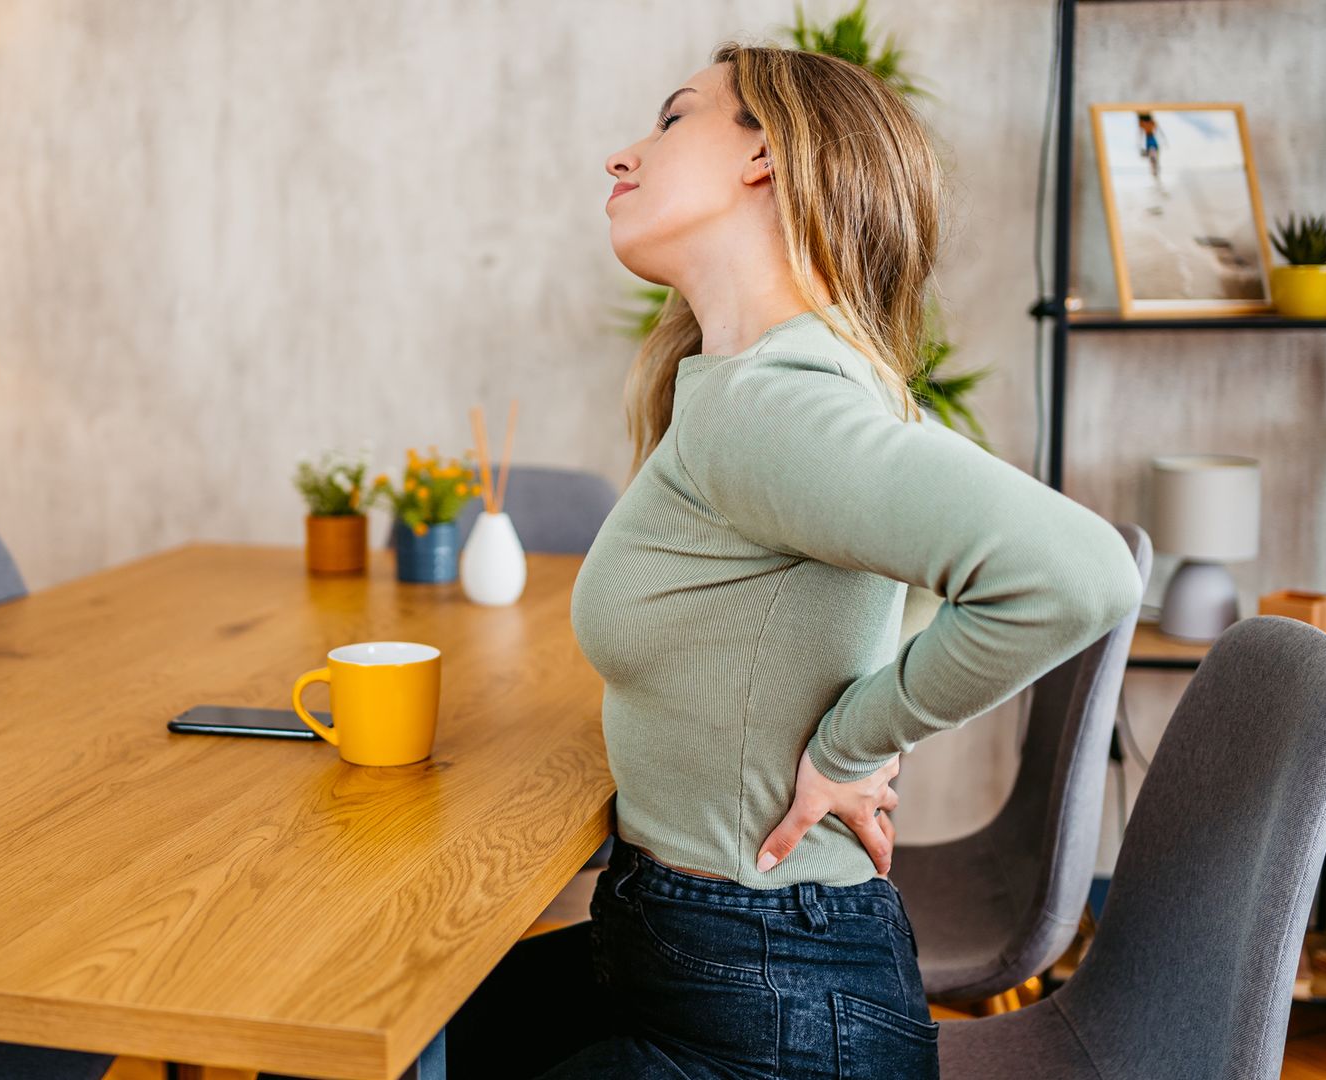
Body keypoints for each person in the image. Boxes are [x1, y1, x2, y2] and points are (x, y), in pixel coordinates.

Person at [446, 41, 1144, 1079]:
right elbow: (906, 580)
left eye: (674, 119)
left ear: (765, 156)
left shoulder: (775, 404)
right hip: (720, 955)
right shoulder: (785, 379)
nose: (620, 156)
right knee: (401, 1021)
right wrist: (861, 694)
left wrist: (856, 740)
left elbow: (1081, 574)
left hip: (771, 1001)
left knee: (363, 1025)